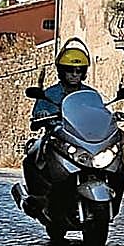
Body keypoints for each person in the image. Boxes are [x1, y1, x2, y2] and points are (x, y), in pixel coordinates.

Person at [19, 38, 94, 214]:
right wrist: (41, 115)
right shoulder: (50, 93)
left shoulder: (90, 93)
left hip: (83, 139)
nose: (74, 74)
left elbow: (99, 111)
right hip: (56, 137)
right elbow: (37, 114)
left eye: (79, 70)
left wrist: (110, 117)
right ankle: (37, 199)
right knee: (32, 156)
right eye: (70, 70)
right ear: (62, 71)